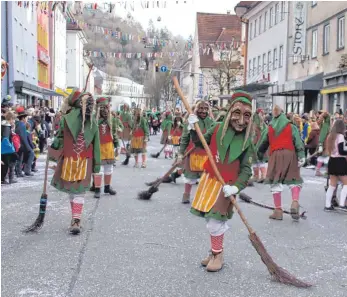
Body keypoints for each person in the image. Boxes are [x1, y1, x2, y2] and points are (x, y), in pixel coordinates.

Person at [188, 91, 253, 272]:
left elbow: (247, 169)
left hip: (227, 186)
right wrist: (194, 128)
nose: (241, 120)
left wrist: (236, 187)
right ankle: (214, 251)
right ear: (231, 111)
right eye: (238, 113)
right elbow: (201, 143)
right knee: (210, 218)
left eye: (247, 115)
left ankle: (218, 254)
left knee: (215, 221)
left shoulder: (248, 140)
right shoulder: (216, 128)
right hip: (210, 179)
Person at [49, 90, 101, 235]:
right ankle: (76, 219)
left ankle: (75, 219)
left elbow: (58, 140)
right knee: (79, 191)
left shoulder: (65, 118)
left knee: (73, 190)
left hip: (69, 159)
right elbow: (96, 146)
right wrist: (97, 166)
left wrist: (52, 155)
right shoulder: (94, 122)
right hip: (85, 160)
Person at [257, 105, 305, 221]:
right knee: (294, 179)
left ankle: (278, 211)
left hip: (275, 155)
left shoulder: (269, 128)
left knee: (276, 182)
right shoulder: (291, 126)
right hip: (290, 154)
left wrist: (259, 155)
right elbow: (298, 141)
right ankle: (294, 202)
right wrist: (301, 155)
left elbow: (262, 144)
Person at [178, 100, 215, 204]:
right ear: (196, 109)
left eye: (206, 109)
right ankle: (186, 195)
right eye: (201, 108)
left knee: (206, 178)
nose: (203, 111)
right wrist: (181, 153)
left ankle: (203, 197)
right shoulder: (191, 121)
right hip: (192, 152)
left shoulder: (212, 122)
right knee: (190, 176)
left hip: (207, 154)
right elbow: (185, 138)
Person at [324, 119, 347, 211]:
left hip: (332, 160)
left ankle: (327, 205)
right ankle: (342, 204)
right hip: (340, 161)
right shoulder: (340, 136)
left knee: (332, 185)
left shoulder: (330, 136)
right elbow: (341, 151)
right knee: (346, 184)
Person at [15, 107, 35, 177]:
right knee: (31, 153)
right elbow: (23, 137)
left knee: (20, 158)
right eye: (26, 118)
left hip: (18, 144)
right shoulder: (22, 125)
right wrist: (28, 147)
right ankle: (27, 170)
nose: (27, 119)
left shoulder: (17, 123)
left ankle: (19, 172)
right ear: (23, 118)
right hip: (22, 144)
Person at [1, 111, 18, 184]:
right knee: (6, 164)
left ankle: (5, 178)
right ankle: (4, 178)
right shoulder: (6, 126)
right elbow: (5, 139)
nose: (14, 121)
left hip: (3, 148)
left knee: (5, 163)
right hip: (6, 149)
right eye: (13, 119)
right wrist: (11, 148)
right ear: (10, 118)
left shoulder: (3, 125)